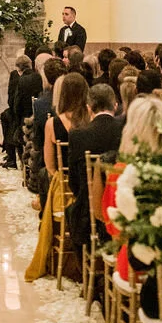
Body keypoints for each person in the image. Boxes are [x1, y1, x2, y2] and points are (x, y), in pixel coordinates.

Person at [66, 83, 121, 251]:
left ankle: (85, 269)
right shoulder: (126, 131)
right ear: (115, 105)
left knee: (71, 212)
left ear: (89, 108)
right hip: (120, 206)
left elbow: (73, 182)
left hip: (87, 212)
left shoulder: (78, 136)